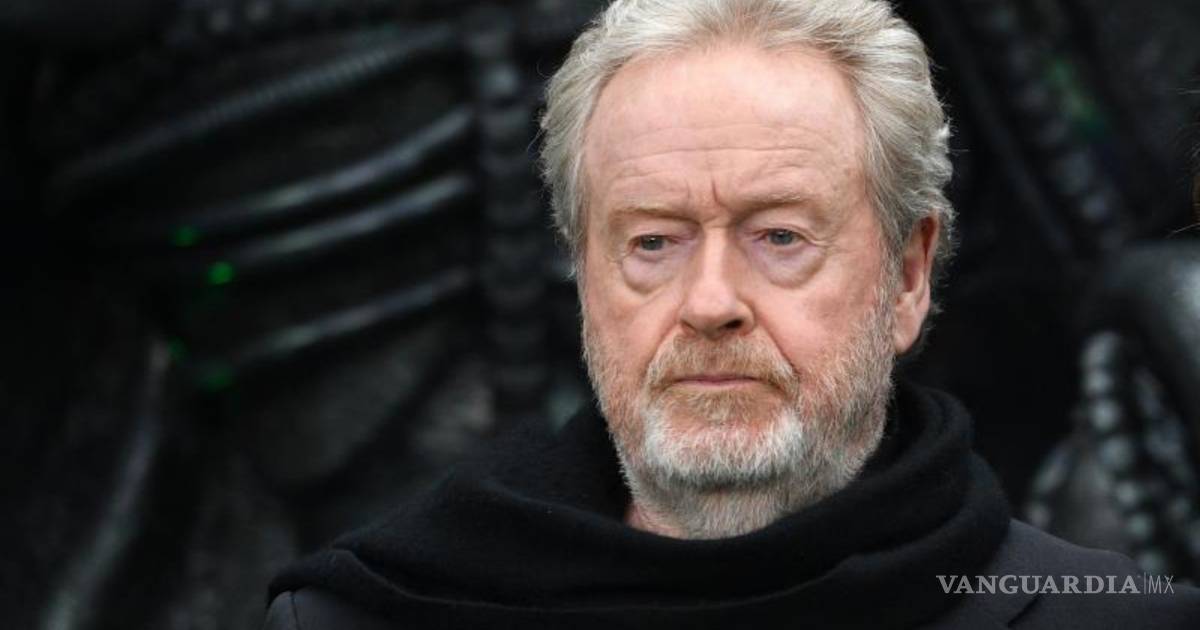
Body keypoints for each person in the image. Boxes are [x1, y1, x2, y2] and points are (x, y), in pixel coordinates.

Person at [263, 1, 1200, 627]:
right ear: (584, 277)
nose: (710, 303)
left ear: (909, 277)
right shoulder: (358, 620)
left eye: (780, 236)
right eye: (653, 243)